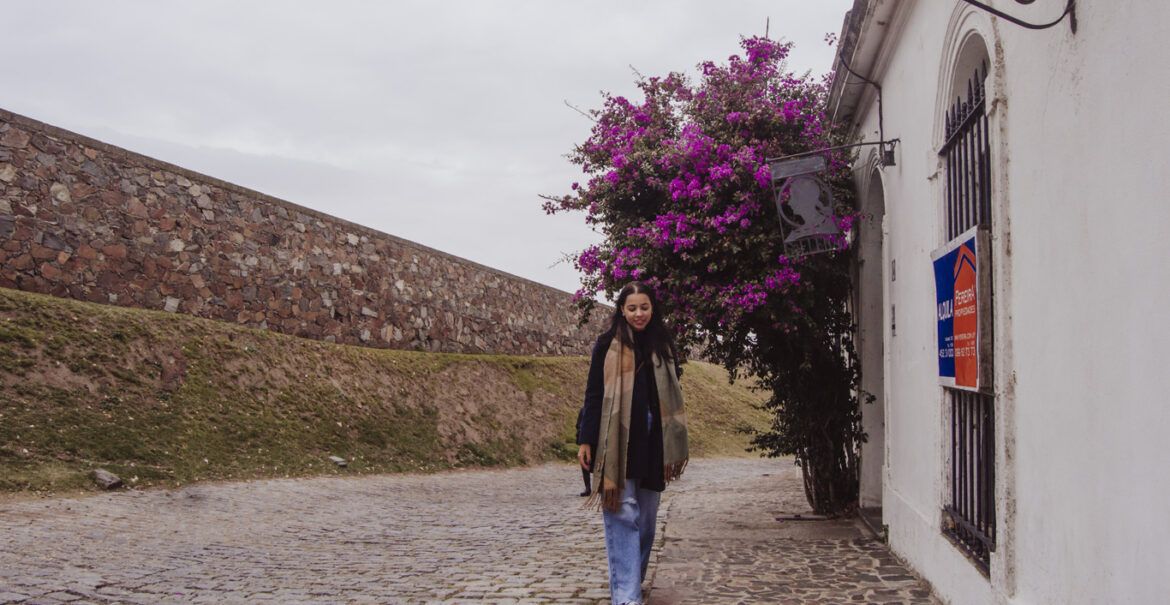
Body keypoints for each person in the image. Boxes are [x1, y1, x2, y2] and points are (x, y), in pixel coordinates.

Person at [577, 281, 688, 605]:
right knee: (623, 512)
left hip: (653, 440)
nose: (638, 313)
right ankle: (626, 595)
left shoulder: (663, 346)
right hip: (618, 439)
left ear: (653, 309)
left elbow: (672, 391)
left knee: (647, 521)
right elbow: (594, 395)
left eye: (644, 307)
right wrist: (586, 438)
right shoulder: (606, 345)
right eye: (632, 308)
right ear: (621, 310)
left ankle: (631, 581)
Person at [575, 406, 592, 496]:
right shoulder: (583, 409)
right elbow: (578, 425)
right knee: (585, 465)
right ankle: (588, 487)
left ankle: (591, 488)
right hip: (586, 441)